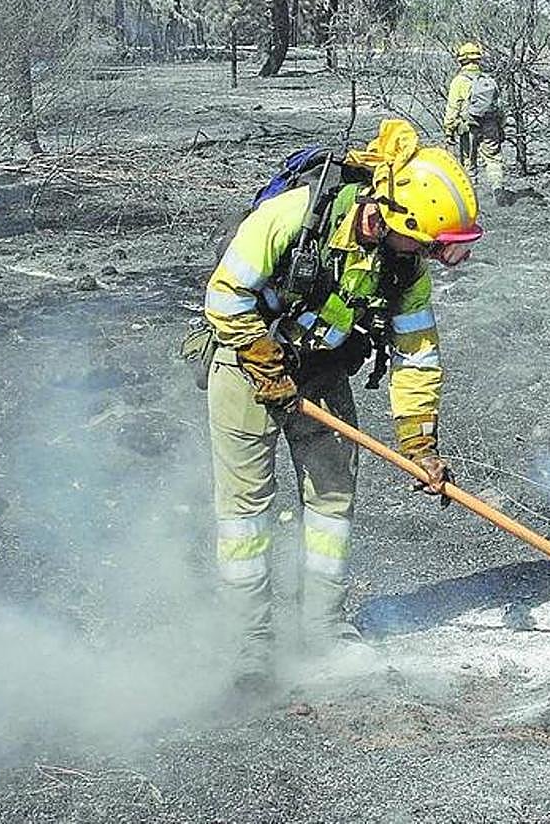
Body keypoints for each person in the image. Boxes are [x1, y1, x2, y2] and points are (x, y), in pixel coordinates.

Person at [202, 119, 482, 698]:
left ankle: (324, 632)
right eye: (429, 243)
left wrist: (419, 443)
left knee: (332, 501)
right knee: (246, 513)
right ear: (393, 219)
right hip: (245, 367)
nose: (431, 257)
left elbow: (417, 354)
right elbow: (225, 294)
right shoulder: (292, 217)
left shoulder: (404, 267)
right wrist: (264, 364)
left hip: (321, 370)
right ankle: (250, 646)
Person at [443, 42, 510, 206]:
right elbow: (500, 107)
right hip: (491, 125)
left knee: (469, 163)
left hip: (469, 126)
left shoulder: (459, 82)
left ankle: (471, 197)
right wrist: (500, 127)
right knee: (493, 159)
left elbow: (452, 108)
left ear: (461, 60)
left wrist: (449, 130)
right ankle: (497, 188)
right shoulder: (489, 80)